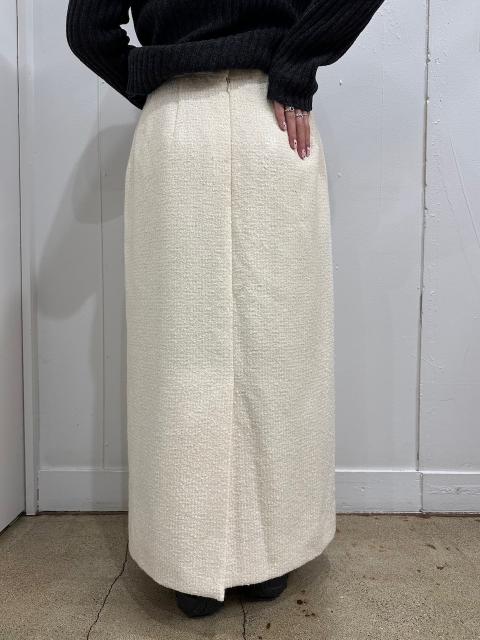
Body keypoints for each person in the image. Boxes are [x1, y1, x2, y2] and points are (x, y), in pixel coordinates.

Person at [66, 0, 385, 619]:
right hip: (274, 122)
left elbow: (86, 30)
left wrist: (153, 76)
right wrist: (296, 63)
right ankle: (272, 553)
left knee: (179, 350)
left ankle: (187, 558)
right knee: (282, 344)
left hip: (177, 128)